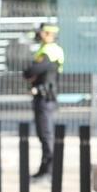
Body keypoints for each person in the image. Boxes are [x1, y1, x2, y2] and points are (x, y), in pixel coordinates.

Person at [23, 23, 64, 179]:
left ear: (49, 34)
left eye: (42, 33)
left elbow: (32, 71)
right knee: (43, 134)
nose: (39, 36)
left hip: (46, 98)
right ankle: (45, 167)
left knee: (46, 135)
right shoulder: (46, 50)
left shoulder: (50, 51)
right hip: (43, 98)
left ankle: (50, 169)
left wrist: (31, 73)